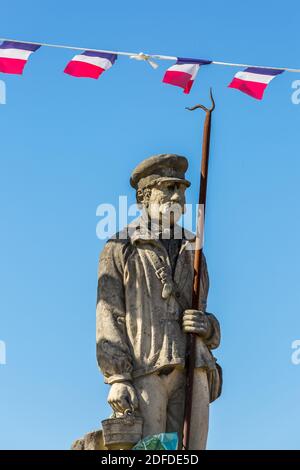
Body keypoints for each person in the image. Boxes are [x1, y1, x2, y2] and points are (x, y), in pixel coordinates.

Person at [96, 154, 221, 450]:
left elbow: (202, 312)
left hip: (195, 367)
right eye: (169, 188)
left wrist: (208, 327)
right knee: (151, 453)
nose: (178, 196)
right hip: (147, 369)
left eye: (182, 189)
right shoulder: (119, 246)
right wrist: (117, 377)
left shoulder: (195, 248)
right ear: (144, 196)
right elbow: (109, 316)